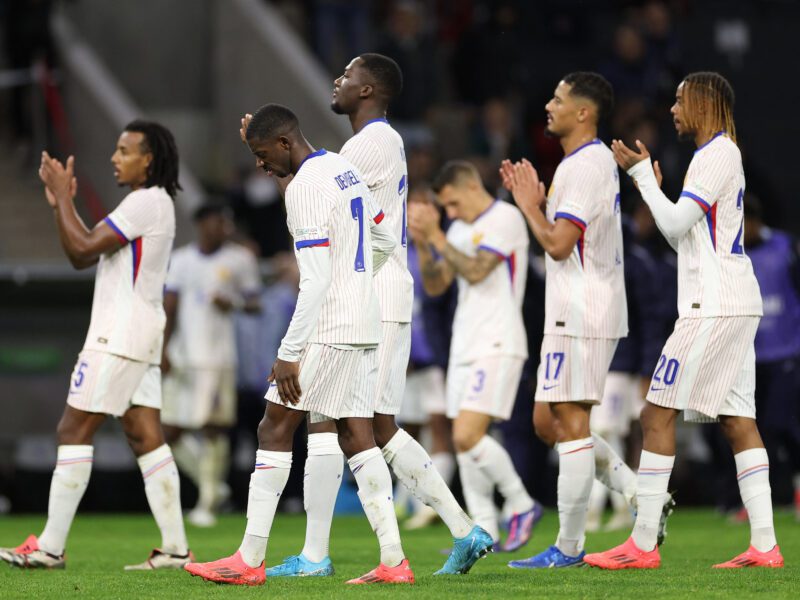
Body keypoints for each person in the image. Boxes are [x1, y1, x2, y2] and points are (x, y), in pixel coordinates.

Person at [267, 53, 490, 579]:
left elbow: (322, 209)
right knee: (355, 423)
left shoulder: (365, 146)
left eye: (346, 76)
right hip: (379, 290)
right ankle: (454, 531)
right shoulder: (379, 143)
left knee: (351, 425)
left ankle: (352, 555)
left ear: (368, 91)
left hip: (369, 293)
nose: (337, 81)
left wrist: (277, 161)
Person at [184, 103, 412, 586]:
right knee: (356, 435)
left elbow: (312, 282)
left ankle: (248, 560)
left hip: (328, 328)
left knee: (274, 426)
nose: (261, 166)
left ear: (285, 143)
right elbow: (385, 240)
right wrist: (355, 284)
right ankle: (394, 561)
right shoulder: (341, 167)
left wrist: (289, 352)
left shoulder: (304, 187)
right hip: (364, 322)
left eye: (263, 154)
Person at [584, 72, 783, 569]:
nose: (673, 109)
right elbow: (681, 237)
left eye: (679, 99)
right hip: (732, 300)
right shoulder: (718, 156)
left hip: (712, 306)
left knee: (656, 414)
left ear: (705, 101)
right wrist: (652, 186)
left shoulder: (714, 154)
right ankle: (765, 545)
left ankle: (643, 544)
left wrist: (643, 180)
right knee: (739, 422)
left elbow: (670, 224)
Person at [0, 121, 190, 570]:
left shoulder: (144, 202)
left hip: (117, 336)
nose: (114, 157)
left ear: (149, 159)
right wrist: (60, 206)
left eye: (124, 150)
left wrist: (66, 199)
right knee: (145, 436)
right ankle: (177, 549)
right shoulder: (156, 204)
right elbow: (83, 247)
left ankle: (49, 547)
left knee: (72, 430)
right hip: (139, 334)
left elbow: (81, 251)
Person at [500, 72, 631, 569]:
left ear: (584, 113)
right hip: (572, 307)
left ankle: (569, 547)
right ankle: (641, 494)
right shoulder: (582, 163)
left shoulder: (584, 165)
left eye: (558, 99)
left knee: (572, 422)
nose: (548, 105)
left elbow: (557, 244)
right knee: (545, 421)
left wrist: (530, 208)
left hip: (584, 308)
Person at [408, 160, 541, 552]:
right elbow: (437, 285)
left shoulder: (505, 218)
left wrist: (438, 234)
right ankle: (483, 530)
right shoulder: (459, 228)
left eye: (451, 204)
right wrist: (423, 239)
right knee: (465, 446)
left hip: (498, 341)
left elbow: (478, 271)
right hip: (465, 343)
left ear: (469, 187)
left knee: (467, 435)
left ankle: (521, 502)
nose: (450, 213)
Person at [160, 203, 262, 528]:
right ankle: (212, 486)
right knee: (168, 431)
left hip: (219, 359)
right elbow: (170, 307)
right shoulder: (181, 260)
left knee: (213, 428)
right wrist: (162, 349)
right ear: (202, 224)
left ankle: (205, 503)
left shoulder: (240, 260)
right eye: (218, 221)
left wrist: (231, 302)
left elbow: (255, 302)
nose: (223, 228)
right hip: (183, 357)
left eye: (226, 222)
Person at [742, 194, 800, 521]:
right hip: (750, 355)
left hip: (785, 352)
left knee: (784, 426)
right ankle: (758, 501)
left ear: (755, 221)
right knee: (755, 429)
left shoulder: (786, 248)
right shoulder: (734, 252)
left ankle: (795, 489)